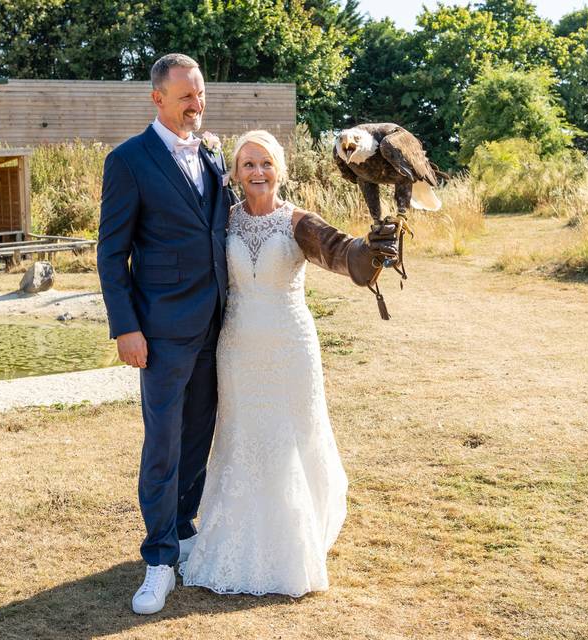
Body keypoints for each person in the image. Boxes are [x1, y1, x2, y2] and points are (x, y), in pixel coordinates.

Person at [178, 130, 393, 597]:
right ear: (235, 172)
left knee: (290, 437)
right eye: (248, 164)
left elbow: (343, 253)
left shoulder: (298, 222)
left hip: (290, 346)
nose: (258, 172)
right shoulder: (223, 222)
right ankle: (232, 535)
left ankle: (294, 542)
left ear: (280, 170)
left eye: (266, 164)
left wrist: (372, 250)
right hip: (236, 350)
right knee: (242, 439)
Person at [97, 53, 234, 615]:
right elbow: (111, 252)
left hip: (214, 326)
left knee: (200, 435)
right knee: (163, 445)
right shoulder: (128, 160)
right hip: (158, 331)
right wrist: (126, 327)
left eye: (200, 95)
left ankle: (184, 528)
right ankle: (158, 558)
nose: (196, 104)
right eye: (186, 96)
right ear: (158, 98)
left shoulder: (213, 154)